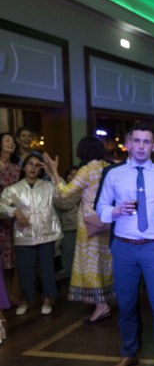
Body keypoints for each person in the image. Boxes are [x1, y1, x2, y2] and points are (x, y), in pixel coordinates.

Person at [96, 123, 154, 366]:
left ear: (153, 146)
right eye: (137, 141)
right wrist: (115, 211)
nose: (142, 146)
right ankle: (128, 353)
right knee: (126, 304)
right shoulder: (114, 175)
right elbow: (100, 208)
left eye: (147, 141)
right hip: (123, 246)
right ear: (129, 144)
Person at [43, 136, 116, 323]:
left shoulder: (87, 169)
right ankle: (106, 300)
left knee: (89, 262)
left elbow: (65, 192)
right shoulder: (106, 167)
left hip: (89, 222)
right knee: (103, 261)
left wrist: (55, 173)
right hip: (106, 220)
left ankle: (101, 305)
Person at [0, 154, 62, 316]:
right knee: (25, 270)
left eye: (37, 165)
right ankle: (26, 300)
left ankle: (48, 299)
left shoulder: (48, 186)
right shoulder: (14, 189)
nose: (33, 167)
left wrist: (53, 173)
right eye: (30, 164)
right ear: (24, 167)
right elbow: (1, 207)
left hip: (47, 233)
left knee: (47, 269)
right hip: (24, 235)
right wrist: (14, 211)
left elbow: (64, 194)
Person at [53, 165, 80, 282]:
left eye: (76, 175)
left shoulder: (78, 190)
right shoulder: (64, 187)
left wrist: (56, 199)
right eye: (70, 174)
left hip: (72, 226)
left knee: (68, 255)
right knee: (62, 253)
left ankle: (65, 278)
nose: (72, 177)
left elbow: (63, 204)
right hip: (60, 226)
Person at [0, 133, 20, 292]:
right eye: (7, 140)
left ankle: (8, 294)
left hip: (12, 219)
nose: (11, 143)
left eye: (13, 141)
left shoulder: (16, 168)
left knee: (9, 260)